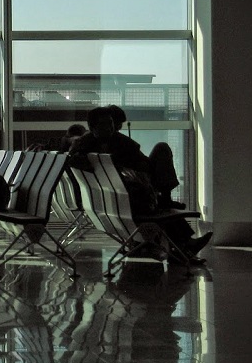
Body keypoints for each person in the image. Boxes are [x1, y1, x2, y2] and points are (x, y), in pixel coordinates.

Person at [69, 107, 212, 261]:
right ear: (93, 127)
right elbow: (144, 165)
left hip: (112, 201)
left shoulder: (84, 146)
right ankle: (183, 243)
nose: (111, 128)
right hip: (128, 202)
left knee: (159, 205)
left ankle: (183, 244)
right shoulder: (118, 143)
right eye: (106, 124)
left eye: (111, 123)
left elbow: (74, 159)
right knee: (162, 152)